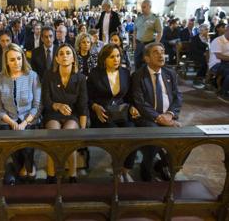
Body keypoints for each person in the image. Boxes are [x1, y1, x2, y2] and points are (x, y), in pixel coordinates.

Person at [132, 42, 182, 182]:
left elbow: (178, 97)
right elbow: (140, 102)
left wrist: (170, 114)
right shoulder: (138, 75)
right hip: (147, 118)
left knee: (186, 139)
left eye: (162, 51)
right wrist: (159, 118)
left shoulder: (170, 73)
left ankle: (162, 164)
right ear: (146, 58)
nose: (161, 55)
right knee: (156, 135)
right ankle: (146, 167)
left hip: (168, 116)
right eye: (156, 52)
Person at [87, 43, 136, 181]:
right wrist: (95, 107)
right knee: (116, 135)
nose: (116, 59)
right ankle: (117, 169)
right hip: (103, 115)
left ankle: (125, 169)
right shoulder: (95, 74)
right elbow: (87, 98)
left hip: (122, 113)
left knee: (133, 132)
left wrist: (132, 106)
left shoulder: (125, 73)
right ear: (104, 59)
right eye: (112, 57)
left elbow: (130, 97)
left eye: (118, 56)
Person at [0, 43, 42, 184]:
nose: (17, 63)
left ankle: (29, 165)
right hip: (7, 119)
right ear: (6, 62)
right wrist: (12, 122)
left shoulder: (32, 76)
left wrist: (25, 122)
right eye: (12, 59)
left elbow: (37, 106)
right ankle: (19, 166)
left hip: (30, 118)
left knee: (26, 143)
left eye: (19, 58)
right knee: (12, 142)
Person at [42, 44, 88, 184]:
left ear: (73, 58)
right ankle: (51, 175)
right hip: (53, 113)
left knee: (69, 136)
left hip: (72, 115)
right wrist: (57, 105)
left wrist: (83, 128)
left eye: (68, 53)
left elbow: (82, 103)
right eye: (61, 53)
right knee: (54, 136)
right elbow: (45, 99)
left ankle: (72, 175)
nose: (65, 56)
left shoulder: (80, 78)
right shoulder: (49, 75)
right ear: (56, 58)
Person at [133, 0, 163, 69]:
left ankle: (146, 78)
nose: (142, 9)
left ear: (150, 7)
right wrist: (134, 43)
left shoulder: (155, 19)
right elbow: (135, 31)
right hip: (138, 43)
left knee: (147, 63)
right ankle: (137, 77)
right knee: (137, 62)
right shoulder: (138, 18)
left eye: (144, 7)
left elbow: (160, 32)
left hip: (149, 44)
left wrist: (156, 44)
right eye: (142, 7)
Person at [209, 24, 229, 102]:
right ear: (227, 30)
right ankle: (223, 93)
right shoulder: (218, 40)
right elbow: (219, 56)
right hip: (217, 64)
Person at [190, 24, 209, 89]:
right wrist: (203, 53)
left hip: (206, 55)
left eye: (207, 29)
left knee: (212, 61)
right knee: (205, 62)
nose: (207, 31)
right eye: (206, 29)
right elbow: (194, 49)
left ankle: (208, 78)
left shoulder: (208, 38)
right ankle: (198, 78)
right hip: (196, 55)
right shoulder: (195, 38)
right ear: (200, 31)